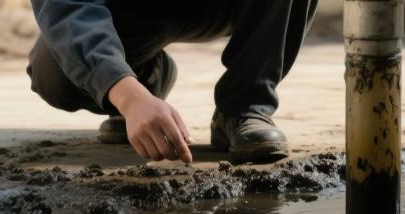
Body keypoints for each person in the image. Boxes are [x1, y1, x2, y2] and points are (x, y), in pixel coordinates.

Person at [27, 0, 317, 163]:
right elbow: (66, 6)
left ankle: (245, 105)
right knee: (53, 72)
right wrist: (126, 92)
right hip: (125, 10)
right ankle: (142, 74)